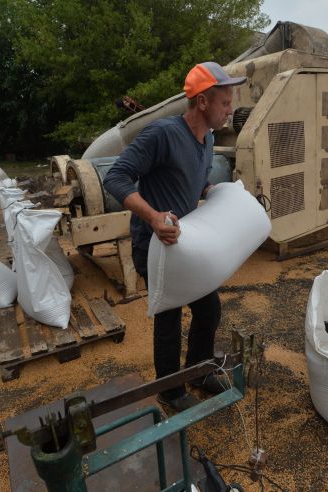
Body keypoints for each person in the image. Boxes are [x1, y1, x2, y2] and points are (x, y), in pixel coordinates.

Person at [103, 62, 246, 411]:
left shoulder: (207, 139)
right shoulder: (162, 134)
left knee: (208, 308)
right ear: (202, 102)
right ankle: (169, 391)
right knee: (169, 317)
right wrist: (153, 217)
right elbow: (116, 178)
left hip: (184, 245)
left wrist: (218, 193)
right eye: (225, 103)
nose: (230, 110)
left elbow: (194, 183)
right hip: (154, 245)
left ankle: (197, 372)